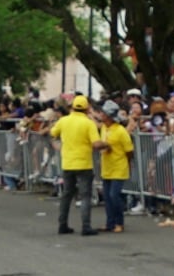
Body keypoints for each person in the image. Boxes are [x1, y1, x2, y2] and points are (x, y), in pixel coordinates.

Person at [50, 95, 100, 236]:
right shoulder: (88, 123)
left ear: (72, 107)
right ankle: (86, 226)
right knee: (85, 196)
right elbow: (95, 142)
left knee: (67, 195)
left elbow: (53, 132)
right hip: (84, 163)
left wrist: (57, 142)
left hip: (68, 163)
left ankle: (62, 224)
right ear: (87, 108)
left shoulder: (63, 121)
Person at [93, 101, 133, 233]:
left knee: (114, 195)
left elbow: (129, 151)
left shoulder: (121, 131)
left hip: (118, 167)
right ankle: (109, 223)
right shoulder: (104, 128)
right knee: (107, 196)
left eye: (103, 113)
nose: (101, 115)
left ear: (109, 116)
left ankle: (119, 222)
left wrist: (127, 163)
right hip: (107, 167)